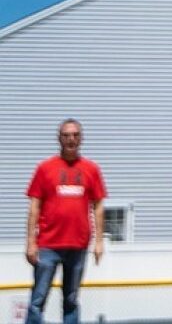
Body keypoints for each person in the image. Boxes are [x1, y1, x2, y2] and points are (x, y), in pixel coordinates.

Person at [25, 118, 107, 324]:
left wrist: (98, 242)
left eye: (75, 135)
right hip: (48, 246)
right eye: (66, 135)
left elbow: (98, 206)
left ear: (81, 139)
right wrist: (30, 243)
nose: (71, 139)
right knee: (38, 298)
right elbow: (34, 206)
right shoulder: (45, 168)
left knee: (71, 299)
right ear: (59, 138)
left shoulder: (91, 169)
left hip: (77, 245)